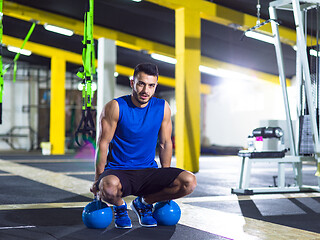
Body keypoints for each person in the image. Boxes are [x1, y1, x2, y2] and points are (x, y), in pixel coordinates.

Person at [91, 62, 197, 229]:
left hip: (148, 171)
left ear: (155, 86)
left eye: (151, 85)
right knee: (108, 187)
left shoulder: (162, 108)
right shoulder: (116, 107)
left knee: (189, 182)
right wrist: (97, 180)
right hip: (119, 170)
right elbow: (103, 143)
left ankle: (144, 203)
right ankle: (120, 207)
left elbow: (165, 143)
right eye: (141, 84)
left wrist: (165, 174)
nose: (145, 90)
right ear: (132, 83)